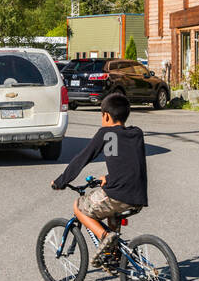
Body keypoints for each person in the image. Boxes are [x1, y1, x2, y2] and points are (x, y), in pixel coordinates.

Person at [51, 92, 147, 266]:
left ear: (107, 116)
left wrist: (61, 181)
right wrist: (109, 178)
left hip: (118, 195)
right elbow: (130, 163)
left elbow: (82, 158)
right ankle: (113, 256)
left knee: (79, 206)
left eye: (102, 115)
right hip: (138, 196)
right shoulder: (136, 133)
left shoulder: (105, 133)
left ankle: (105, 236)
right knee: (112, 214)